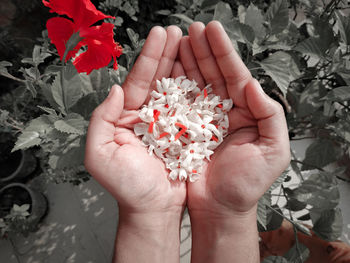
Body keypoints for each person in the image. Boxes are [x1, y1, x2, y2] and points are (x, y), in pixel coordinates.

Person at [84, 21, 290, 263]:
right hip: (176, 136)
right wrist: (228, 215)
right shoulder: (164, 119)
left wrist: (147, 214)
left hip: (191, 136)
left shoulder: (207, 122)